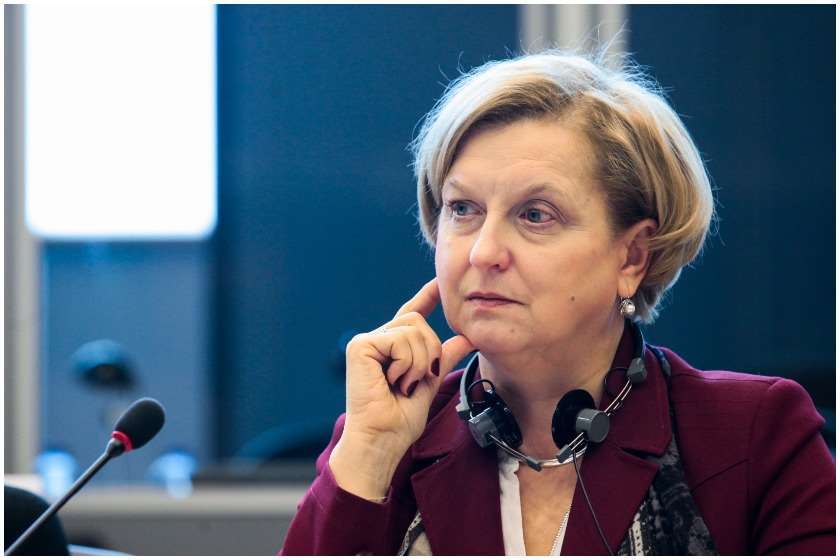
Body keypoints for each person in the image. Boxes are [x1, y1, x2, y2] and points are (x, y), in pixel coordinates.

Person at [280, 51, 835, 555]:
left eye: (535, 215)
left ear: (631, 258)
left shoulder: (754, 436)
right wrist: (370, 453)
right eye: (463, 209)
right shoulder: (384, 440)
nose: (483, 252)